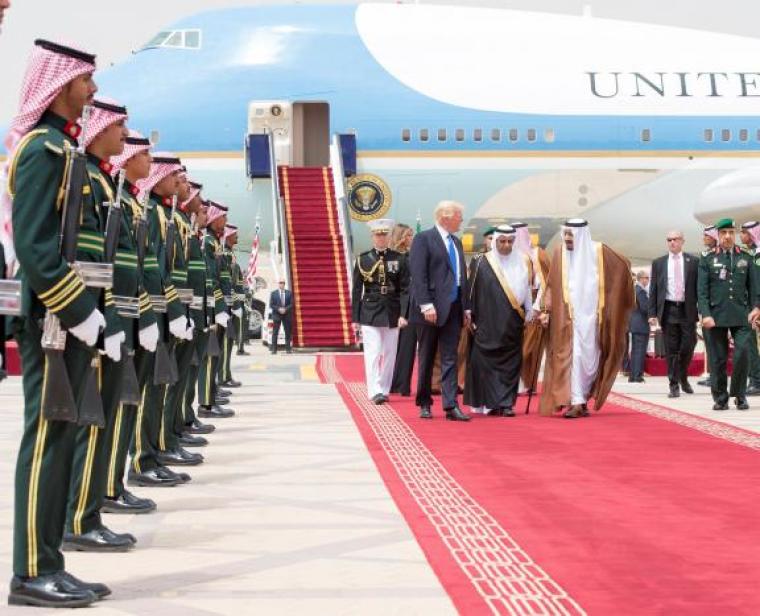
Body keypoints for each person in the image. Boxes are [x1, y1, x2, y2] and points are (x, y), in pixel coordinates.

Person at [4, 39, 111, 607]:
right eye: (84, 81)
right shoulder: (42, 150)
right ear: (59, 83)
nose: (91, 91)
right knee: (46, 440)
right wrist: (78, 312)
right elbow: (38, 248)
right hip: (52, 318)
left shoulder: (60, 150)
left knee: (63, 437)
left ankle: (50, 561)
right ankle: (29, 572)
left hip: (67, 318)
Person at [539, 219, 634, 419]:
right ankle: (576, 401)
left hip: (594, 320)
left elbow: (623, 266)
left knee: (590, 361)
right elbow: (551, 283)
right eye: (565, 234)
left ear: (581, 235)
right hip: (567, 318)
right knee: (573, 358)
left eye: (570, 235)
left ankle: (581, 399)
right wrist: (545, 309)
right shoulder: (559, 253)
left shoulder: (599, 251)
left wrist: (614, 297)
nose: (567, 239)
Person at [409, 201, 470, 421]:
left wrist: (466, 307)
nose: (461, 220)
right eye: (459, 216)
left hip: (454, 309)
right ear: (446, 217)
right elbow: (418, 275)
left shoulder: (457, 242)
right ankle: (424, 402)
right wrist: (426, 305)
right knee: (426, 357)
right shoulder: (424, 239)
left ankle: (451, 405)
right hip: (430, 309)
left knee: (450, 357)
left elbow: (461, 276)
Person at [464, 225, 533, 416]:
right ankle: (490, 402)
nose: (506, 245)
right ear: (495, 241)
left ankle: (506, 403)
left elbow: (526, 288)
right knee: (485, 362)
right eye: (502, 241)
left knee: (511, 363)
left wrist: (529, 310)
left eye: (510, 241)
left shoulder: (524, 261)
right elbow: (470, 290)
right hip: (486, 320)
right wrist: (468, 312)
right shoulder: (480, 261)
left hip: (513, 321)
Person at [697, 218, 756, 411]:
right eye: (724, 233)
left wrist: (756, 307)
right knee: (718, 359)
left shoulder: (745, 257)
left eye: (731, 232)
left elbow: (755, 287)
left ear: (735, 234)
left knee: (743, 354)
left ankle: (739, 395)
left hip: (742, 315)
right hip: (716, 316)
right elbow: (702, 291)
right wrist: (705, 314)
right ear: (718, 235)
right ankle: (721, 398)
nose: (728, 236)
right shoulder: (707, 258)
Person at [351, 219, 409, 404]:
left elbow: (405, 289)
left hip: (392, 311)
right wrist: (355, 317)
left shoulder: (399, 259)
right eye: (378, 235)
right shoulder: (363, 259)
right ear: (372, 237)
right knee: (373, 352)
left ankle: (384, 389)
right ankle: (374, 390)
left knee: (390, 353)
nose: (381, 238)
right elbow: (356, 290)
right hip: (370, 310)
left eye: (384, 235)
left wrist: (403, 314)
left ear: (389, 236)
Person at [647, 230, 699, 397]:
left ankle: (682, 376)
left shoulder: (693, 262)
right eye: (669, 240)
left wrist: (704, 311)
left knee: (688, 345)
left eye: (675, 239)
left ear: (682, 241)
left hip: (687, 309)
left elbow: (700, 288)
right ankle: (673, 384)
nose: (672, 242)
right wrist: (652, 313)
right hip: (668, 309)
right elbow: (653, 290)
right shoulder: (659, 263)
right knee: (671, 349)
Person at [511, 221, 551, 393]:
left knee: (530, 349)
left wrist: (537, 307)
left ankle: (528, 383)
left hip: (534, 308)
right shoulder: (507, 255)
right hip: (513, 308)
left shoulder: (537, 254)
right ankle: (514, 382)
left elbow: (546, 283)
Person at [390, 223, 416, 396]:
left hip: (412, 305)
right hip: (398, 306)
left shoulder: (411, 256)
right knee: (395, 347)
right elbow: (393, 283)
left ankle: (401, 384)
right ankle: (394, 383)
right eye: (408, 235)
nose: (411, 238)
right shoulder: (393, 258)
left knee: (407, 347)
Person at [697, 225, 720, 387]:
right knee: (710, 344)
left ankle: (718, 376)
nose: (704, 238)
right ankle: (713, 375)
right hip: (708, 308)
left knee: (718, 345)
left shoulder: (723, 255)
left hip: (720, 308)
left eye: (707, 235)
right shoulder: (705, 256)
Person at [740, 220, 760, 396]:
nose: (741, 236)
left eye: (745, 232)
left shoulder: (758, 254)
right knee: (751, 344)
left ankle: (756, 381)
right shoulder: (751, 253)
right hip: (750, 304)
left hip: (756, 306)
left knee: (754, 345)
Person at [629, 270, 650, 383]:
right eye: (646, 278)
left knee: (635, 351)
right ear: (641, 278)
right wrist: (653, 313)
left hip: (636, 324)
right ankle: (637, 375)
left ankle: (633, 375)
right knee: (639, 351)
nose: (647, 280)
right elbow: (645, 307)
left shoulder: (634, 290)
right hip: (641, 324)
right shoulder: (640, 291)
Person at [269, 279, 293, 353]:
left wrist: (285, 309)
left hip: (287, 315)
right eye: (280, 283)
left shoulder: (289, 293)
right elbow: (271, 304)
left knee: (287, 332)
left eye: (283, 283)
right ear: (278, 284)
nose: (281, 284)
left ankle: (288, 349)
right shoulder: (273, 293)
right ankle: (274, 349)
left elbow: (292, 304)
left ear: (284, 284)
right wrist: (279, 309)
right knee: (275, 332)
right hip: (277, 315)